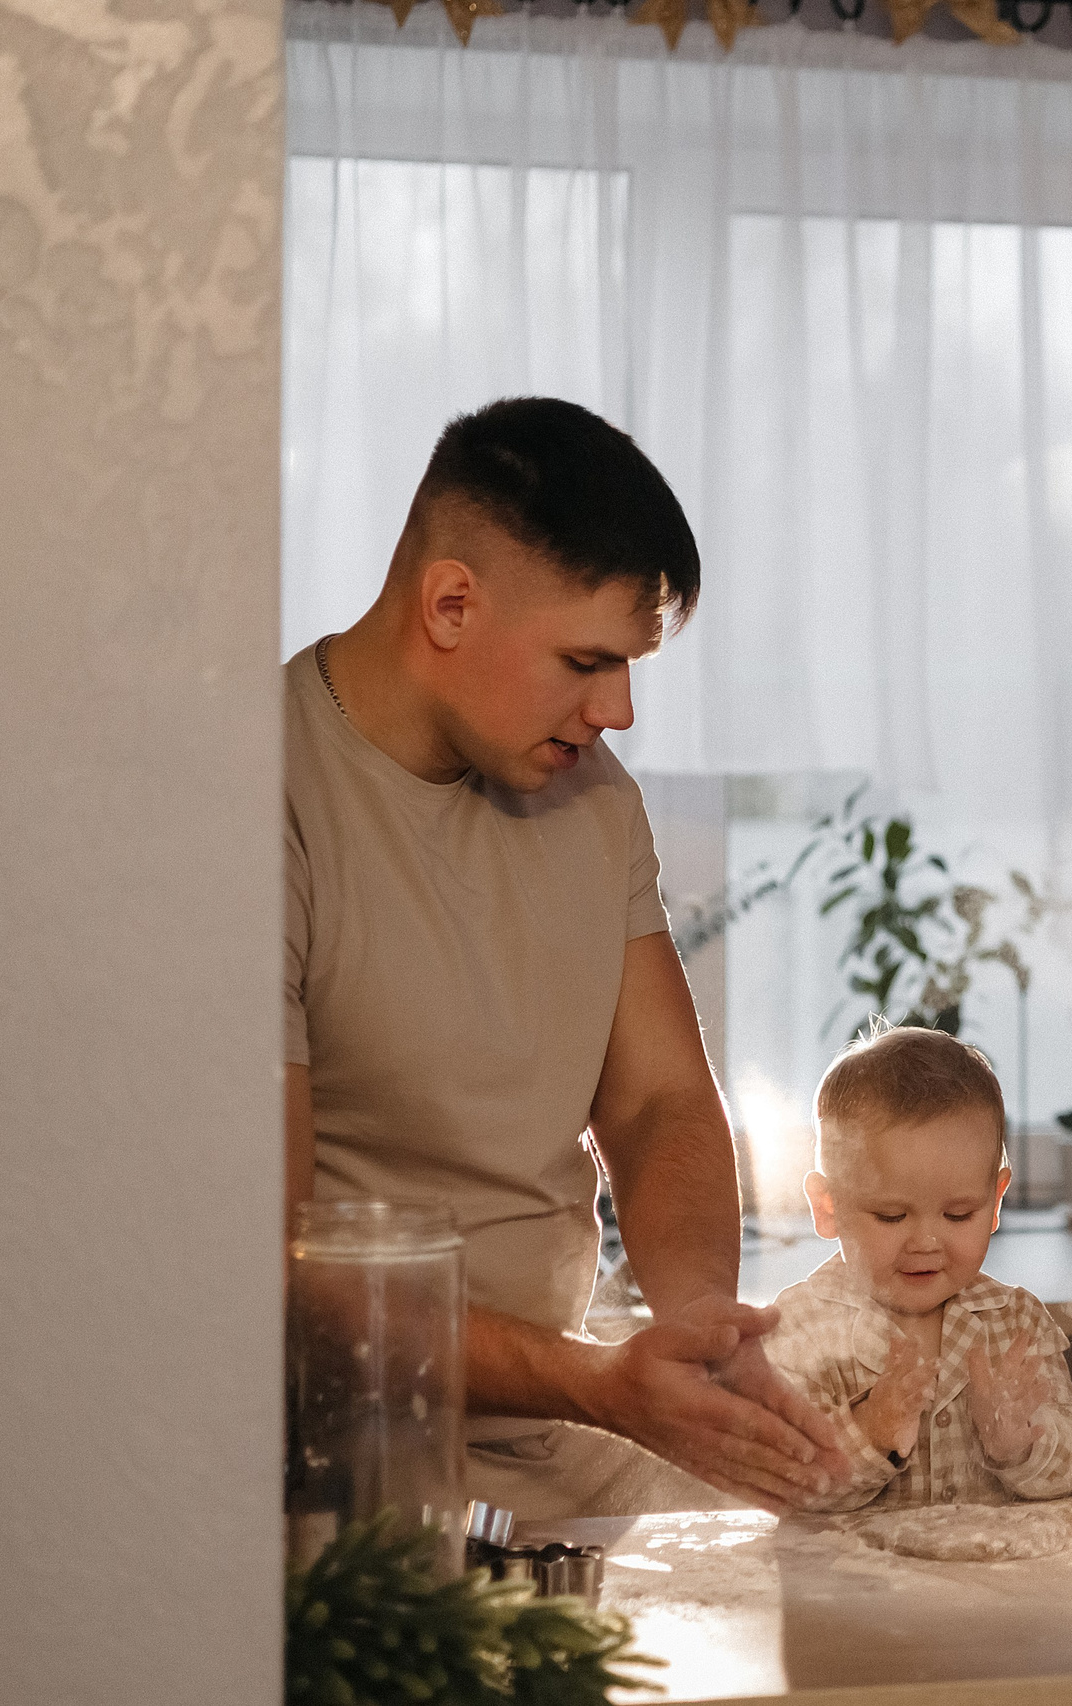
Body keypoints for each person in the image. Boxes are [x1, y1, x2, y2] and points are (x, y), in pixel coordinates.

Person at [285, 397, 844, 1520]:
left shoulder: (593, 802)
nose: (621, 709)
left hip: (547, 1437)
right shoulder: (263, 797)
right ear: (450, 603)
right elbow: (278, 1260)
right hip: (322, 1466)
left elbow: (658, 1104)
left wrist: (693, 1325)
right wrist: (595, 1381)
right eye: (587, 660)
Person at [762, 1025, 1072, 1511]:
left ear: (996, 1201)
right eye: (892, 1216)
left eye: (959, 1214)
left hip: (992, 1584)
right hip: (854, 1587)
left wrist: (1021, 1445)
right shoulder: (801, 1327)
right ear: (827, 1207)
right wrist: (871, 1429)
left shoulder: (1015, 1322)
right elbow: (784, 1479)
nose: (926, 1241)